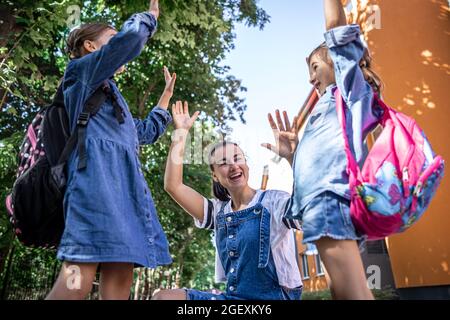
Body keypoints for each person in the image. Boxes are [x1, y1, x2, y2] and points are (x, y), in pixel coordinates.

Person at [47, 0, 175, 300]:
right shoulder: (81, 74)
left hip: (126, 191)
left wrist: (164, 101)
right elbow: (127, 42)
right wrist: (149, 18)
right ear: (91, 46)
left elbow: (142, 133)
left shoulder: (111, 93)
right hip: (95, 183)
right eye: (110, 37)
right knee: (77, 278)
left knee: (121, 278)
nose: (118, 44)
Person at [264, 0, 384, 300]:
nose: (309, 77)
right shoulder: (329, 103)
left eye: (315, 67)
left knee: (349, 291)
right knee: (346, 290)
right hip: (321, 202)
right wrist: (293, 154)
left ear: (336, 61)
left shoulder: (348, 87)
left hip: (331, 197)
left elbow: (336, 28)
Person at [153, 101, 303, 300]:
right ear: (215, 175)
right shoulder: (218, 212)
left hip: (275, 298)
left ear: (246, 164)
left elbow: (307, 208)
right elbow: (173, 186)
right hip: (235, 300)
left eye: (237, 158)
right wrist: (180, 134)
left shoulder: (274, 202)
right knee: (162, 297)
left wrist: (294, 158)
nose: (233, 166)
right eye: (223, 163)